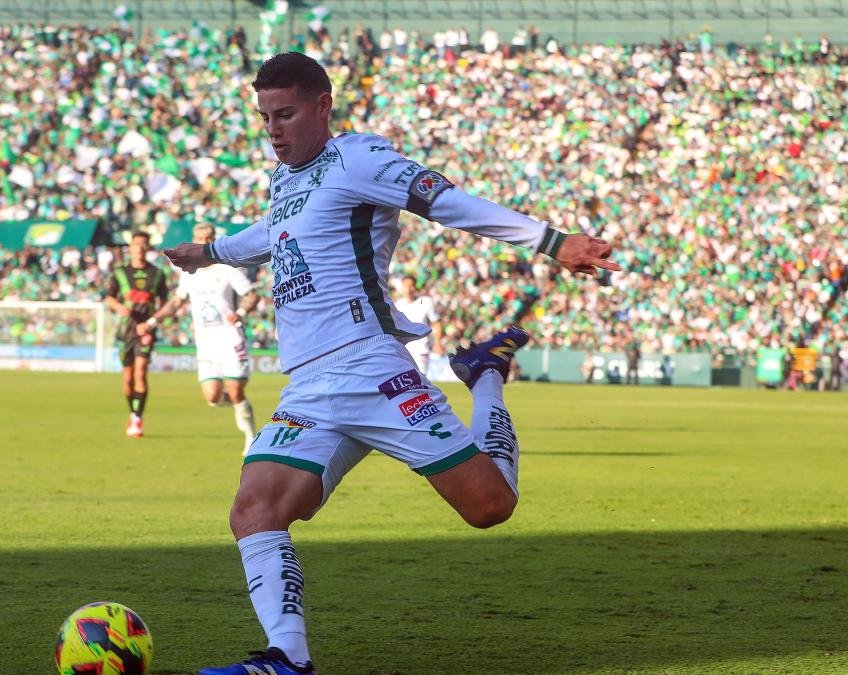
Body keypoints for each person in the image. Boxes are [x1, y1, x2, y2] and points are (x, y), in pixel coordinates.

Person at [164, 52, 620, 674]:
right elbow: (272, 235)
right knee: (254, 510)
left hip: (370, 368)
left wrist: (552, 241)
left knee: (490, 506)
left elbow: (447, 202)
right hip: (309, 385)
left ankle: (486, 375)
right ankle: (288, 659)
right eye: (265, 117)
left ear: (323, 106)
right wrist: (210, 251)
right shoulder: (286, 181)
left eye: (286, 114)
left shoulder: (359, 160)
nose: (273, 130)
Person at [158, 224, 262, 455]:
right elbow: (177, 301)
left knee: (235, 390)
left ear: (214, 239)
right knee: (213, 397)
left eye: (209, 238)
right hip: (206, 344)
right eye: (200, 238)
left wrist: (240, 313)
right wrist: (153, 321)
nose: (204, 241)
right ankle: (239, 405)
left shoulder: (228, 269)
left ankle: (251, 437)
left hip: (230, 339)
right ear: (193, 240)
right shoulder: (189, 272)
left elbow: (252, 296)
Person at [104, 231, 170, 438]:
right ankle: (132, 412)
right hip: (126, 330)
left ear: (148, 247)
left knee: (141, 372)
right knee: (127, 379)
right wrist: (120, 307)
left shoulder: (157, 273)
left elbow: (165, 303)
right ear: (130, 247)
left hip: (145, 329)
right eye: (136, 244)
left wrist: (155, 322)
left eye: (143, 244)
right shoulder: (120, 272)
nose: (140, 248)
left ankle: (137, 418)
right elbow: (109, 298)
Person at [392, 275, 442, 374]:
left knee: (421, 377)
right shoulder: (397, 305)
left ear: (415, 287)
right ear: (402, 288)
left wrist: (437, 343)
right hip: (404, 349)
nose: (408, 289)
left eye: (411, 286)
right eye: (406, 286)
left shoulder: (425, 302)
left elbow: (436, 323)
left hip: (422, 348)